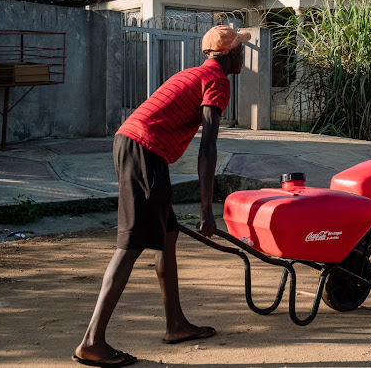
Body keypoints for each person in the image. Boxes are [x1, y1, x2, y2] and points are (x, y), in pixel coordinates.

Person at [73, 25, 250, 367]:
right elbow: (208, 148)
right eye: (240, 47)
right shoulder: (217, 80)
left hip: (135, 145)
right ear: (228, 54)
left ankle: (176, 324)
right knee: (130, 245)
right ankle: (92, 342)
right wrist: (206, 209)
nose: (244, 52)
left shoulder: (194, 72)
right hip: (145, 151)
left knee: (167, 236)